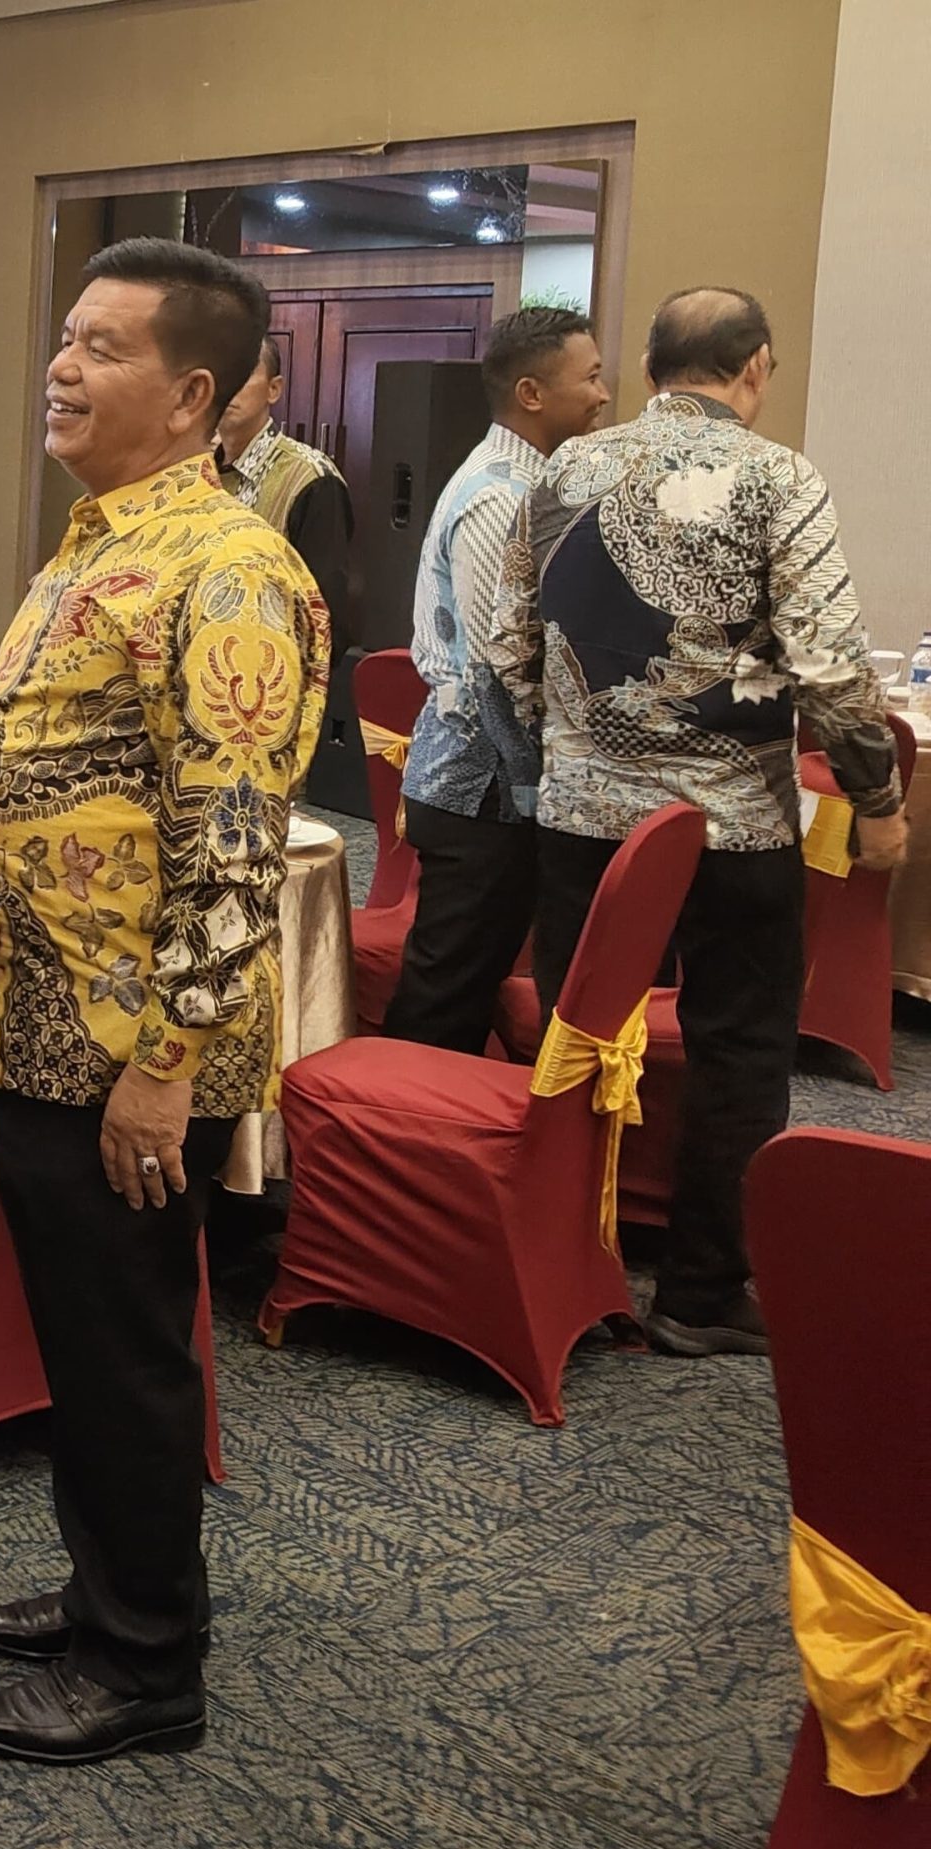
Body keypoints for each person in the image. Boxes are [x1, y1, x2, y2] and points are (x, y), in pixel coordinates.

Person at [0, 238, 328, 1766]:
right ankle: (113, 1590)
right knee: (87, 1341)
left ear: (195, 393)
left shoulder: (229, 568)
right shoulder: (107, 538)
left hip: (123, 1053)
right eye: (65, 338)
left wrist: (164, 1066)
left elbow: (234, 844)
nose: (62, 365)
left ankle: (146, 1662)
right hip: (43, 1029)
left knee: (128, 1350)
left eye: (102, 347)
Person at [490, 287, 906, 1358]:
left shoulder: (564, 468)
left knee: (579, 1033)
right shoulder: (778, 478)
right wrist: (876, 801)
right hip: (731, 825)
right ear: (755, 365)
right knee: (739, 1047)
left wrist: (569, 751)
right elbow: (829, 665)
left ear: (646, 368)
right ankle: (701, 1290)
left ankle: (563, 1255)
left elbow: (509, 645)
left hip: (583, 817)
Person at [380, 306, 608, 1053]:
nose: (604, 395)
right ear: (532, 393)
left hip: (496, 789)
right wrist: (539, 794)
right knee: (446, 992)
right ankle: (401, 1111)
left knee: (466, 979)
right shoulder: (499, 497)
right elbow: (492, 672)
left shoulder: (531, 485)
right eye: (591, 378)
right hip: (481, 788)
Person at [216, 337, 354, 645]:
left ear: (274, 389)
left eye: (242, 373)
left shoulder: (310, 477)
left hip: (273, 663)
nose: (227, 386)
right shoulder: (196, 472)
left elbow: (326, 621)